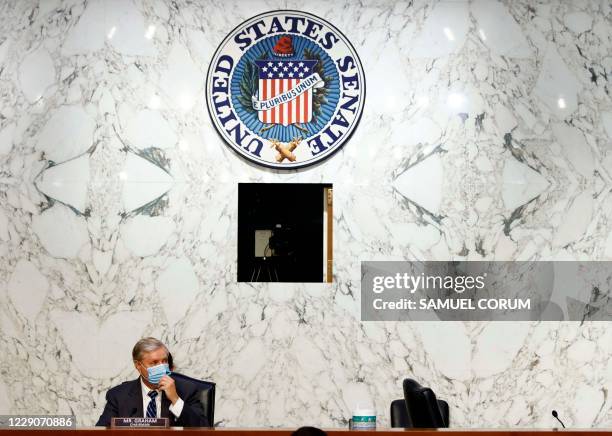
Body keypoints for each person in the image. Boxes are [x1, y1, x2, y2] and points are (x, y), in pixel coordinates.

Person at [96, 337, 209, 427]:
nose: (161, 367)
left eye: (164, 361)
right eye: (154, 363)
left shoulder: (186, 390)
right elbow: (100, 432)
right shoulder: (119, 396)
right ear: (138, 366)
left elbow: (203, 429)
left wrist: (175, 399)